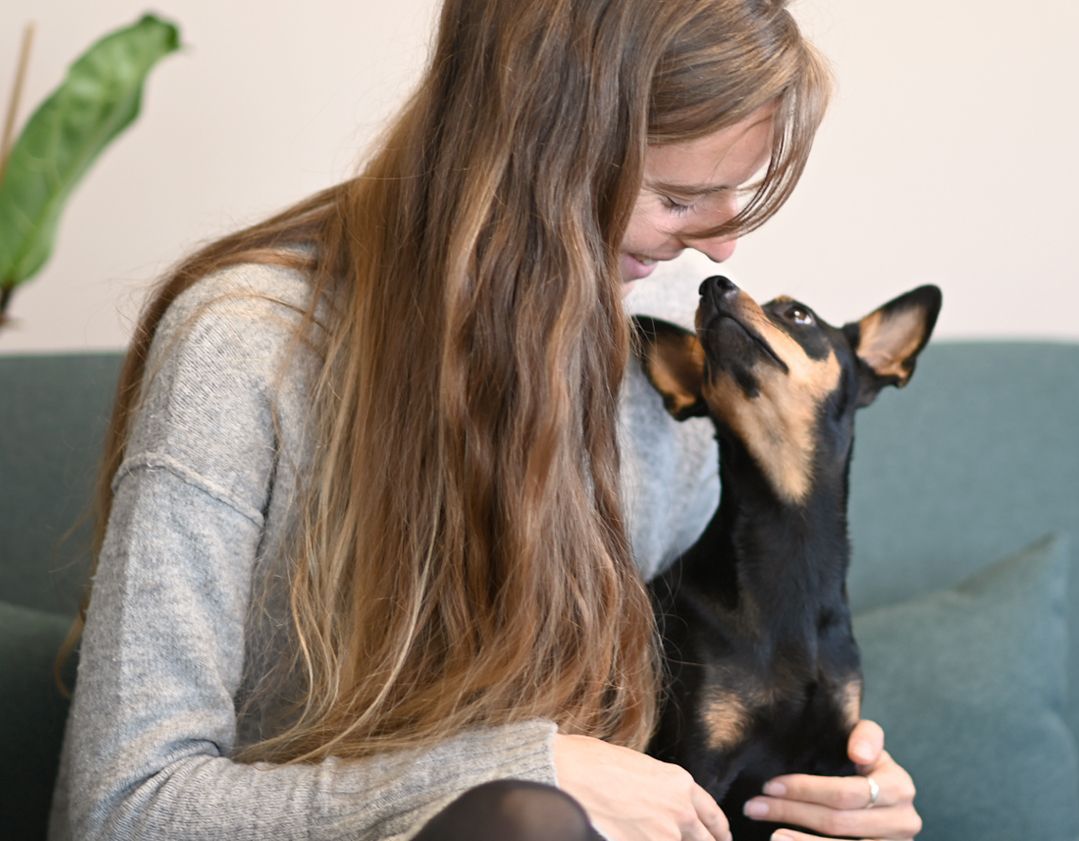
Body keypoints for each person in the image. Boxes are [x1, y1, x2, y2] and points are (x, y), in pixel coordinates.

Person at [48, 0, 922, 839]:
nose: (721, 247)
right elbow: (121, 809)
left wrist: (826, 798)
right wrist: (516, 770)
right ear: (535, 142)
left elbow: (669, 768)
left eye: (730, 198)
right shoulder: (243, 349)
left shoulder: (648, 391)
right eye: (677, 198)